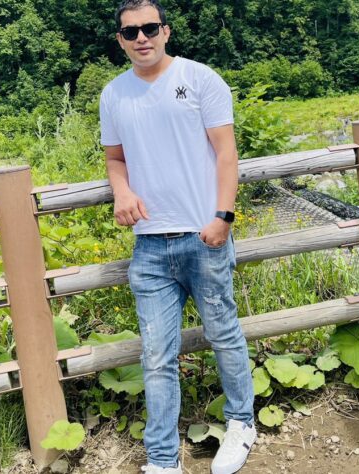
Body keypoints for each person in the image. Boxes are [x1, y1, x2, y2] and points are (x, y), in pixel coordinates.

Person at [99, 1, 255, 472]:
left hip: (204, 235)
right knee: (156, 356)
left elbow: (226, 152)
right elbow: (115, 158)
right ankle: (163, 460)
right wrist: (122, 191)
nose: (141, 38)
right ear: (121, 40)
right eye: (131, 32)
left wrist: (223, 217)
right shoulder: (114, 94)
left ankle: (241, 422)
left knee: (223, 334)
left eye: (149, 28)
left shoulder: (201, 79)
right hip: (149, 244)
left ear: (165, 31)